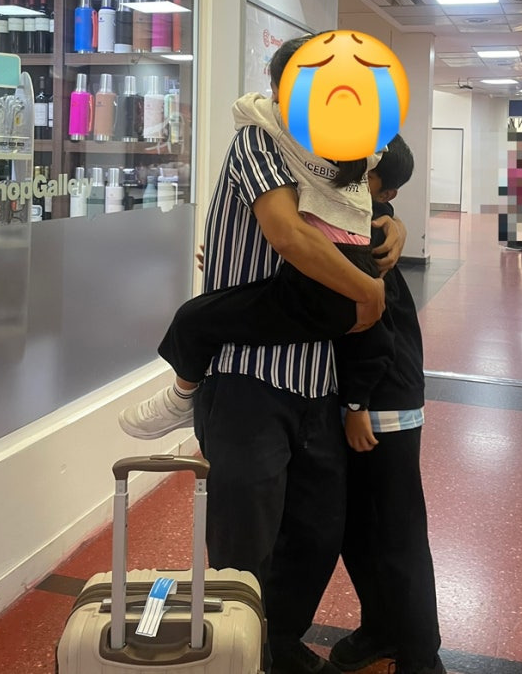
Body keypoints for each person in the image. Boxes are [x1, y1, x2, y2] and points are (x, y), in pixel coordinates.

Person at [124, 35, 405, 674]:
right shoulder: (259, 139)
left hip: (318, 379)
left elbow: (363, 207)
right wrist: (367, 289)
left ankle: (273, 644)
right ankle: (237, 655)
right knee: (244, 540)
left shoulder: (338, 154)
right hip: (247, 377)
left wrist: (391, 223)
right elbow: (287, 233)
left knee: (316, 531)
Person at [119, 86, 397, 441]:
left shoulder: (287, 143)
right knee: (216, 313)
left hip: (322, 293)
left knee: (193, 319)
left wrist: (371, 291)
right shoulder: (356, 155)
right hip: (338, 292)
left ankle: (181, 398)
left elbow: (290, 235)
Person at [331, 136, 444, 674]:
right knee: (358, 530)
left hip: (381, 406)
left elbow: (370, 329)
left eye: (360, 169)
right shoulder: (358, 216)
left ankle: (421, 654)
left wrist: (356, 404)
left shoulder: (370, 231)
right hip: (367, 401)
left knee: (396, 534)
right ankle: (381, 627)